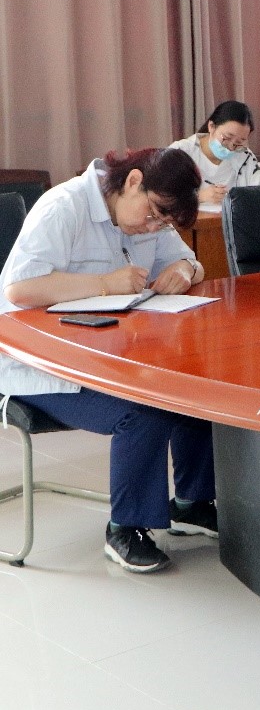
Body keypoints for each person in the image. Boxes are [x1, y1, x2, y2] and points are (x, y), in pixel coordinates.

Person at [0, 149, 218, 573]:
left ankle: (191, 504)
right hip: (39, 363)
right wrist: (103, 283)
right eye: (153, 214)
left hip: (106, 354)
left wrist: (185, 269)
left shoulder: (149, 216)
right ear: (133, 181)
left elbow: (190, 261)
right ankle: (125, 529)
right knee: (143, 410)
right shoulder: (63, 208)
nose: (152, 227)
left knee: (192, 387)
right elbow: (20, 290)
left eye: (163, 223)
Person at [170, 100, 260, 206]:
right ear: (211, 126)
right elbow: (162, 196)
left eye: (239, 142)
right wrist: (198, 196)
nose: (231, 147)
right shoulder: (180, 152)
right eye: (227, 138)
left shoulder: (244, 156)